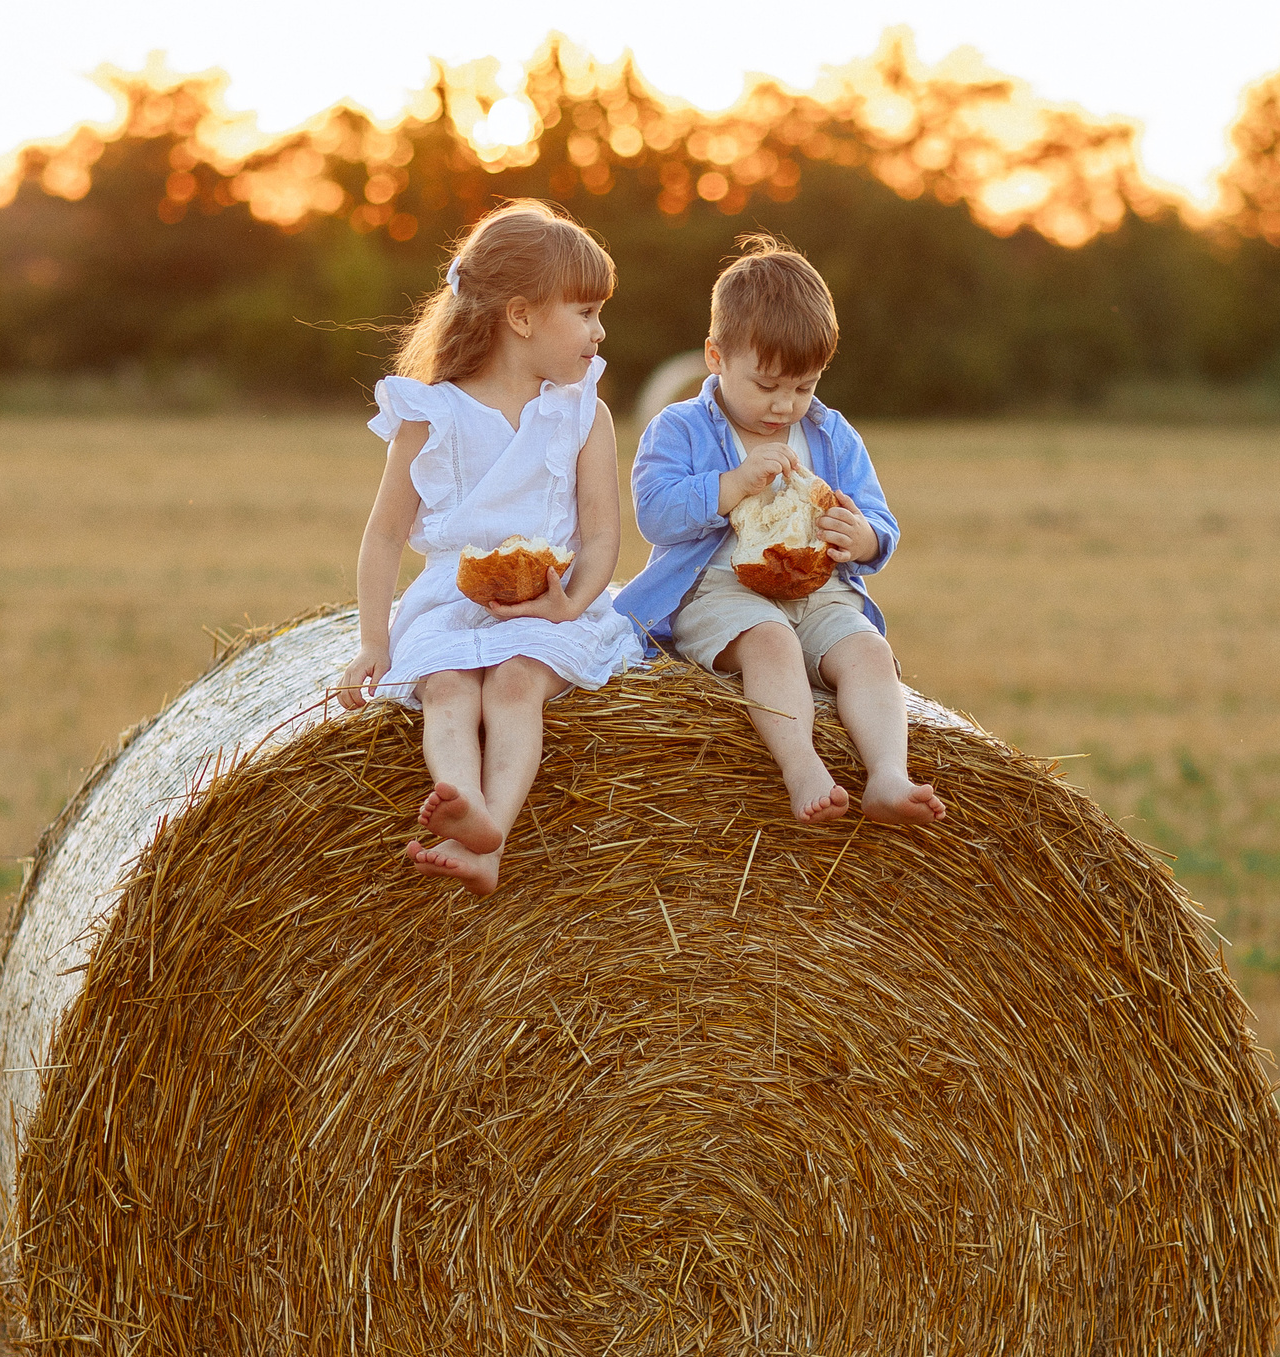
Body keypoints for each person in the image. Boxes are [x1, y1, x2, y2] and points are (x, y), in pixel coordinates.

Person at [338, 202, 641, 895]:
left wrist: (570, 607)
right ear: (522, 316)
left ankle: (491, 834)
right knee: (447, 686)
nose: (600, 331)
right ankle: (459, 798)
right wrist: (373, 639)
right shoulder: (431, 415)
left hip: (548, 604)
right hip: (451, 598)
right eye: (586, 312)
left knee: (513, 685)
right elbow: (384, 534)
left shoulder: (582, 415)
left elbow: (601, 536)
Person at [618, 237, 947, 827]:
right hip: (719, 590)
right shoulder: (680, 428)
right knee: (772, 644)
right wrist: (730, 485)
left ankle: (888, 776)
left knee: (869, 651)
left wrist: (862, 537)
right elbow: (653, 513)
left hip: (819, 590)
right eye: (767, 386)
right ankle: (803, 769)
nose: (784, 405)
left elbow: (877, 519)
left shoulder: (832, 434)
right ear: (715, 357)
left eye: (804, 387)